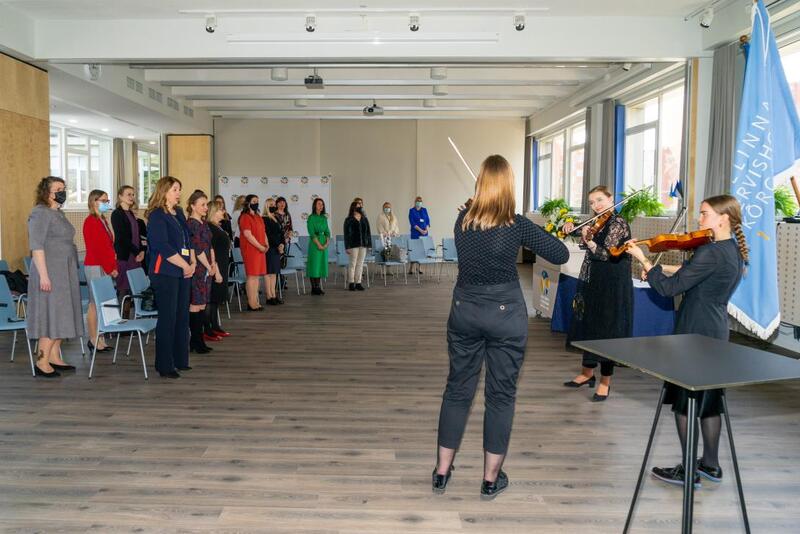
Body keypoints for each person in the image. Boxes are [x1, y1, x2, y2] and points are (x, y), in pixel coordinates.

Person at [433, 155, 569, 500]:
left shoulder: (462, 219)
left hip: (465, 310)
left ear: (480, 183)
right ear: (509, 185)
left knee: (457, 390)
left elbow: (479, 229)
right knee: (501, 395)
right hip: (505, 314)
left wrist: (472, 208)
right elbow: (560, 254)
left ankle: (441, 472)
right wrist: (543, 231)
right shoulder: (517, 224)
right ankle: (490, 479)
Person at [625, 194, 748, 489]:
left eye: (704, 213)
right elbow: (695, 275)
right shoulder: (731, 249)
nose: (699, 218)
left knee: (685, 404)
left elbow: (669, 290)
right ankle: (711, 465)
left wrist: (644, 260)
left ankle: (688, 471)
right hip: (715, 330)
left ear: (723, 218)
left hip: (694, 331)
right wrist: (663, 269)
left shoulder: (710, 251)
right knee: (710, 402)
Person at [561, 186, 633, 401]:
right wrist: (570, 227)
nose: (596, 205)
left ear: (611, 199)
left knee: (607, 330)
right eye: (592, 202)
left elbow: (607, 254)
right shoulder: (597, 221)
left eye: (600, 200)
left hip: (612, 282)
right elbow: (583, 232)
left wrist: (589, 241)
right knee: (589, 324)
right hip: (594, 278)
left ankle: (605, 382)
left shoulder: (618, 223)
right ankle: (587, 374)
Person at [26, 176, 84, 377]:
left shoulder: (58, 213)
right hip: (50, 272)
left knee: (63, 314)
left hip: (64, 272)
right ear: (47, 192)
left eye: (64, 188)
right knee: (51, 315)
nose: (63, 192)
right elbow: (36, 247)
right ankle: (42, 361)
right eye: (58, 189)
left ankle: (54, 357)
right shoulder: (40, 213)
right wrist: (44, 276)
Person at [146, 176, 194, 379]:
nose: (178, 193)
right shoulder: (157, 215)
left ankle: (180, 359)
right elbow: (162, 246)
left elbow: (187, 240)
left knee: (182, 316)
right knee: (168, 318)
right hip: (165, 272)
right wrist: (185, 265)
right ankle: (165, 365)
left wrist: (192, 262)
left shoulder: (179, 212)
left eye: (179, 189)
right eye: (175, 189)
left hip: (183, 270)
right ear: (164, 191)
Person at [83, 189, 118, 354]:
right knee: (94, 304)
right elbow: (98, 249)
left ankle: (101, 338)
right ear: (93, 202)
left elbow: (108, 247)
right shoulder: (91, 221)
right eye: (103, 200)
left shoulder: (103, 219)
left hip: (104, 265)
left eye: (107, 200)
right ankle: (93, 338)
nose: (106, 203)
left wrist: (113, 265)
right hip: (95, 265)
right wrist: (110, 268)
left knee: (102, 303)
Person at [186, 190, 220, 353]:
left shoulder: (204, 223)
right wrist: (208, 266)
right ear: (193, 206)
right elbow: (197, 249)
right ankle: (196, 341)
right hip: (198, 269)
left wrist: (213, 265)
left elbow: (210, 246)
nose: (206, 208)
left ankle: (198, 340)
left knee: (202, 305)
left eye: (206, 204)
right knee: (195, 305)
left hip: (207, 268)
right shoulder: (191, 224)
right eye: (202, 205)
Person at [111, 185, 145, 302]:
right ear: (120, 196)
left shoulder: (130, 213)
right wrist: (137, 252)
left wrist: (142, 251)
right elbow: (122, 238)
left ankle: (135, 312)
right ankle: (122, 312)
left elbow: (137, 235)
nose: (131, 197)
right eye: (128, 194)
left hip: (135, 256)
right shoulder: (117, 214)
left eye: (133, 194)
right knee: (124, 288)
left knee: (135, 288)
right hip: (125, 256)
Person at [206, 200, 231, 337]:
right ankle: (208, 329)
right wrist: (216, 271)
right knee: (211, 298)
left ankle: (215, 325)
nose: (223, 212)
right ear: (214, 212)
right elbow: (211, 252)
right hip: (216, 268)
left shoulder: (217, 226)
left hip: (222, 265)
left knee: (215, 299)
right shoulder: (210, 228)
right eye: (221, 210)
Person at [238, 194, 268, 311]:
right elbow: (247, 235)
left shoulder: (258, 216)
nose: (256, 203)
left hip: (260, 250)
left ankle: (256, 301)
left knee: (257, 277)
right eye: (254, 201)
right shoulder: (245, 217)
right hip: (251, 250)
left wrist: (266, 244)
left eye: (257, 201)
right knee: (252, 276)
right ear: (248, 203)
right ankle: (251, 303)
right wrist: (260, 246)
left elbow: (263, 232)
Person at [343, 199, 371, 291]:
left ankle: (358, 282)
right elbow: (346, 234)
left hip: (363, 245)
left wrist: (369, 245)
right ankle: (351, 283)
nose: (359, 208)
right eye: (357, 207)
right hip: (353, 245)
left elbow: (368, 233)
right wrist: (347, 247)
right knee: (352, 264)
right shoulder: (348, 220)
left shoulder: (364, 219)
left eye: (360, 207)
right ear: (353, 208)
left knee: (360, 264)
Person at [261, 199, 285, 304]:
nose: (273, 206)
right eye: (271, 205)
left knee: (274, 273)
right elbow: (268, 234)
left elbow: (281, 232)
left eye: (274, 204)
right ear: (266, 206)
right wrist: (277, 244)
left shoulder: (276, 218)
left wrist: (282, 244)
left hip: (277, 248)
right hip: (269, 248)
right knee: (268, 273)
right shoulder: (264, 219)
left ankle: (274, 295)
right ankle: (269, 296)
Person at [307, 198, 330, 296]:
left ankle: (318, 286)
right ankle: (313, 288)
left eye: (322, 204)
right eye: (319, 204)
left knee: (320, 265)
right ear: (315, 205)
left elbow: (327, 232)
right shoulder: (311, 218)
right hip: (315, 243)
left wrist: (326, 243)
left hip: (323, 242)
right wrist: (319, 244)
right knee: (314, 265)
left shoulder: (324, 218)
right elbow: (312, 233)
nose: (321, 206)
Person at [408, 196, 430, 274]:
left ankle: (419, 268)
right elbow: (412, 222)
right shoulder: (411, 211)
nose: (419, 203)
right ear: (415, 202)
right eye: (417, 201)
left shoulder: (424, 210)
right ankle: (411, 267)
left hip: (424, 234)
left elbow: (427, 221)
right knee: (414, 251)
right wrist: (420, 230)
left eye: (420, 201)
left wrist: (426, 230)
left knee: (421, 251)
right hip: (415, 233)